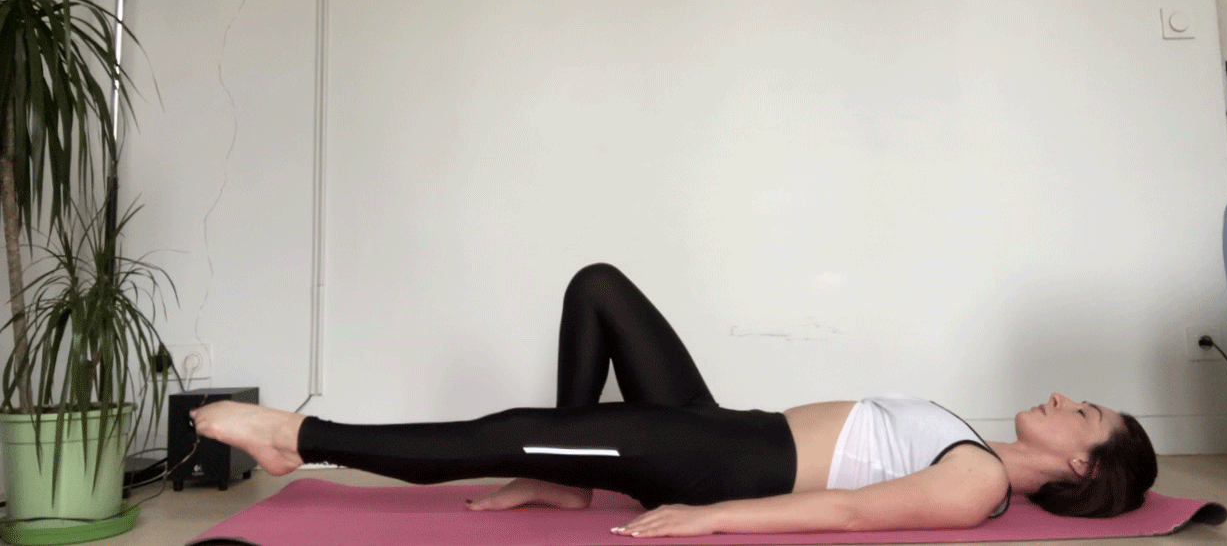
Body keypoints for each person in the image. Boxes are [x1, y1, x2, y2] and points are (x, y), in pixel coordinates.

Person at [191, 263, 1158, 538]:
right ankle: (566, 470)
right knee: (598, 286)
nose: (1063, 398)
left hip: (725, 466)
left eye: (1083, 413)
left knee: (507, 433)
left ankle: (297, 437)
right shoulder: (969, 443)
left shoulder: (978, 485)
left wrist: (711, 516)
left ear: (1080, 462)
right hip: (728, 426)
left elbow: (849, 512)